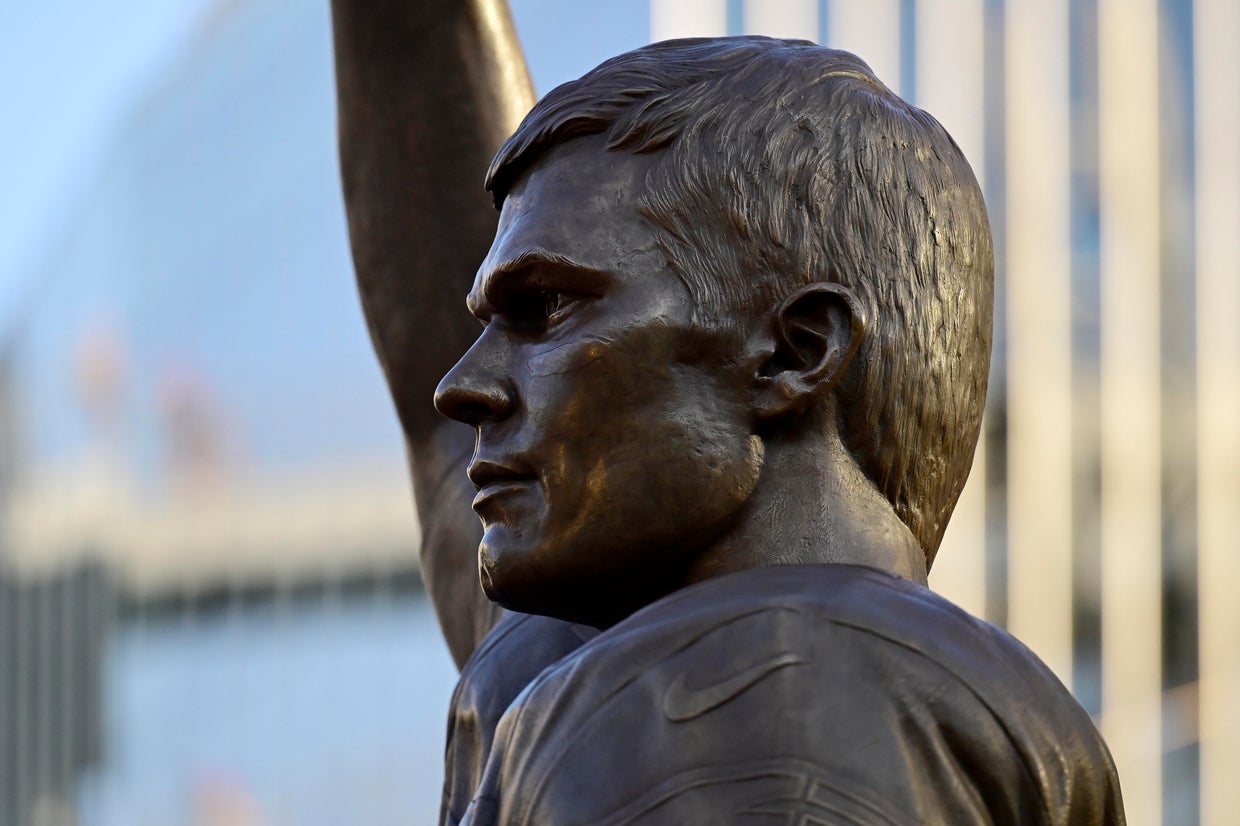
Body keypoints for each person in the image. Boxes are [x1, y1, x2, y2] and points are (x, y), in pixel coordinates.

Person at [330, 3, 1124, 823]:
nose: (462, 386)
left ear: (794, 352)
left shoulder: (753, 679)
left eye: (548, 307)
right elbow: (441, 434)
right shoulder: (594, 680)